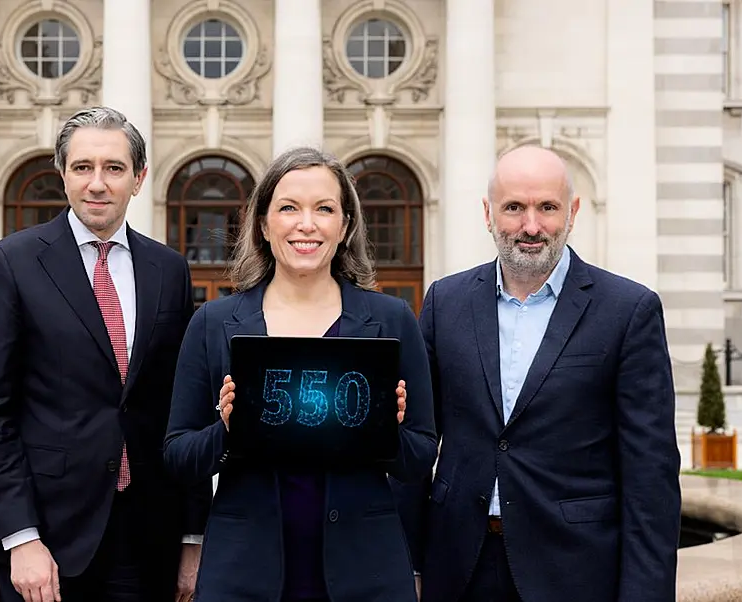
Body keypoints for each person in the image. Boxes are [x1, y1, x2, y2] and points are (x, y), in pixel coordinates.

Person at [394, 145, 681, 602]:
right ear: (488, 214)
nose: (531, 226)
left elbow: (651, 478)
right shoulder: (445, 303)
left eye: (547, 207)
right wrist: (405, 565)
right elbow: (415, 445)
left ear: (573, 212)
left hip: (575, 570)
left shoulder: (628, 311)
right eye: (514, 208)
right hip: (458, 567)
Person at [162, 146, 438, 602]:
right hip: (243, 573)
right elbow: (178, 456)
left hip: (365, 573)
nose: (306, 224)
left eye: (324, 209)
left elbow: (419, 459)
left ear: (345, 226)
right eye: (288, 208)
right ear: (264, 224)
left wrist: (385, 429)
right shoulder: (213, 323)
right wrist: (229, 430)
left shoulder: (392, 321)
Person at [0, 106, 210, 602]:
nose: (97, 183)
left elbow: (183, 408)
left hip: (148, 538)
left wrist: (192, 536)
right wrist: (20, 537)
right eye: (83, 167)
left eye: (114, 168)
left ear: (138, 179)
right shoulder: (11, 263)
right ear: (63, 175)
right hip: (48, 541)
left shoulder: (169, 270)